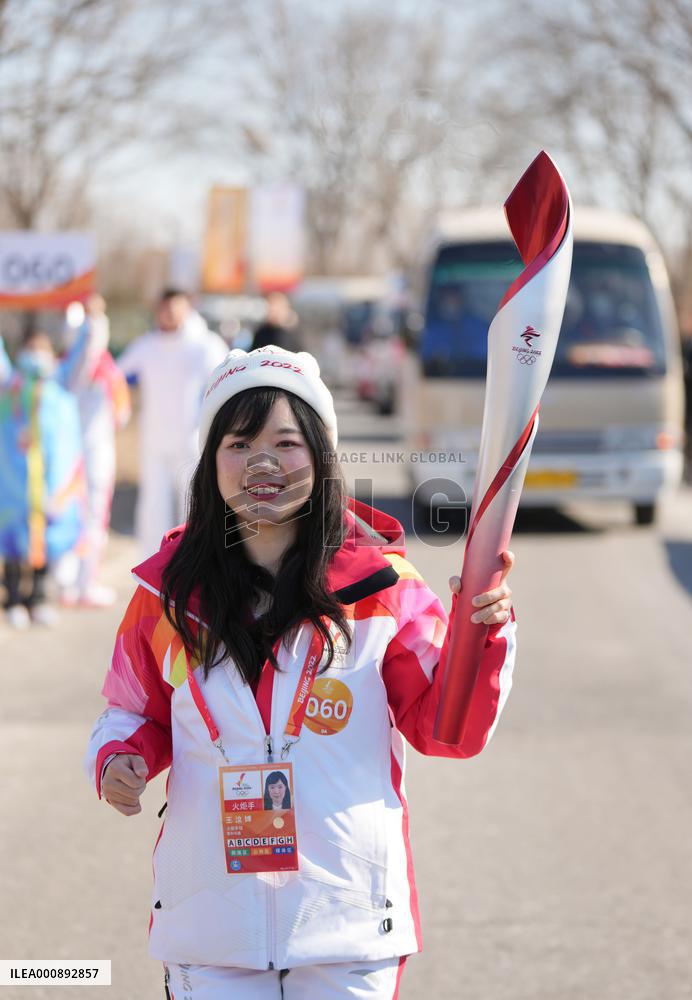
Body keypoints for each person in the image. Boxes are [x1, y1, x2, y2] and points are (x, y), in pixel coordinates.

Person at [85, 345, 517, 999]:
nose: (264, 461)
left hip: (347, 929)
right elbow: (130, 711)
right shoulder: (168, 598)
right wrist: (120, 757)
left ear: (320, 456)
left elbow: (446, 731)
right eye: (239, 443)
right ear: (212, 463)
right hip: (210, 930)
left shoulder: (384, 590)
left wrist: (483, 638)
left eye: (286, 442)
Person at [117, 288, 227, 556]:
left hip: (192, 441)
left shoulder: (205, 345)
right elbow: (117, 374)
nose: (169, 314)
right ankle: (151, 565)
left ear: (188, 309)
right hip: (154, 441)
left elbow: (226, 380)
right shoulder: (147, 345)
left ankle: (195, 562)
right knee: (152, 507)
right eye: (165, 309)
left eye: (176, 308)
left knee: (193, 504)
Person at [0, 325, 86, 628]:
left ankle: (37, 597)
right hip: (14, 483)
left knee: (44, 540)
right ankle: (11, 597)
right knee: (12, 541)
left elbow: (84, 352)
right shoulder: (9, 384)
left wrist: (93, 320)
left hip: (50, 484)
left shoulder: (62, 382)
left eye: (42, 349)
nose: (36, 355)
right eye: (31, 348)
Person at [58, 294, 131, 607]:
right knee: (79, 517)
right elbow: (89, 346)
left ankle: (77, 583)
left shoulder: (104, 369)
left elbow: (122, 414)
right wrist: (96, 318)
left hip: (95, 453)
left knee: (86, 517)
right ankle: (77, 584)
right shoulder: (76, 368)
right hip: (81, 457)